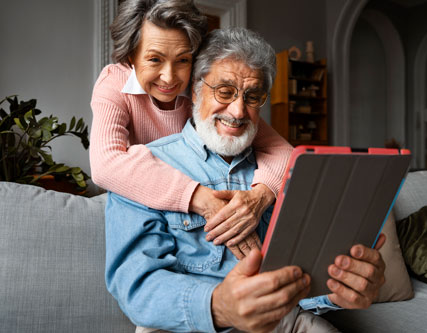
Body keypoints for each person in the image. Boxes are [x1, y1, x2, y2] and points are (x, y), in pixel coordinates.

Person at [105, 27, 386, 333]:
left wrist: (340, 289)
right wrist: (217, 305)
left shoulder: (282, 170)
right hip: (186, 326)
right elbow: (137, 288)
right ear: (196, 91)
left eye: (253, 97)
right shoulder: (142, 167)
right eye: (224, 91)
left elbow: (299, 280)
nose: (238, 111)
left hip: (282, 321)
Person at [90, 0, 292, 257]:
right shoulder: (114, 82)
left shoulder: (202, 90)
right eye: (154, 59)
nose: (170, 77)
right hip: (141, 203)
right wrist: (201, 198)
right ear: (131, 55)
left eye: (183, 60)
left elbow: (282, 151)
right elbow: (106, 164)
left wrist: (259, 197)